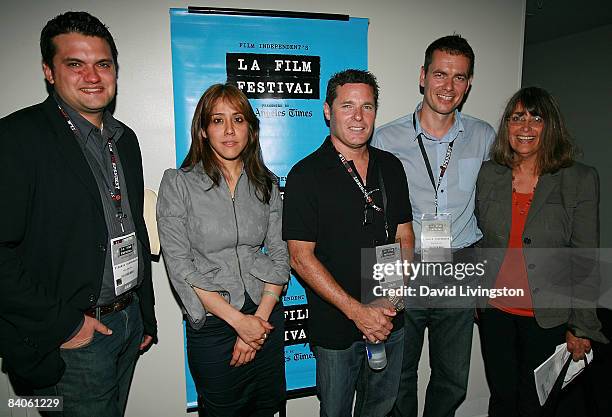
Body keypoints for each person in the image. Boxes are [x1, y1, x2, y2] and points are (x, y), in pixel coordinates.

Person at [0, 11, 157, 417]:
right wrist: (66, 326)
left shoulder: (125, 139)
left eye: (103, 64)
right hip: (73, 340)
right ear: (48, 71)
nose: (92, 76)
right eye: (76, 64)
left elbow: (133, 228)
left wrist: (145, 314)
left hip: (127, 323)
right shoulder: (17, 138)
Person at [371, 35, 495, 417]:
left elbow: (490, 207)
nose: (448, 86)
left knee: (453, 375)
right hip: (404, 264)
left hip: (459, 264)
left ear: (469, 83)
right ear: (423, 76)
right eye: (440, 74)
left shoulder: (484, 135)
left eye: (459, 77)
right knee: (399, 372)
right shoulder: (385, 138)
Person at [283, 69, 415, 417]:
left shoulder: (391, 167)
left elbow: (404, 234)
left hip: (390, 317)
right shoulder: (305, 174)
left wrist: (391, 302)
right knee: (336, 410)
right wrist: (359, 313)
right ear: (328, 110)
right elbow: (299, 257)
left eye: (367, 107)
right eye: (347, 106)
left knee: (381, 408)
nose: (358, 117)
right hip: (336, 327)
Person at [157, 83, 289, 417]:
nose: (229, 130)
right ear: (203, 129)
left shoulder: (267, 184)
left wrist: (256, 324)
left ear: (251, 128)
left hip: (266, 316)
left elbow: (280, 253)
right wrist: (237, 322)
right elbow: (179, 266)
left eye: (238, 119)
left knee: (266, 408)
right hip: (214, 322)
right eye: (217, 120)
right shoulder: (178, 183)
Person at [475, 86, 608, 417]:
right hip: (495, 312)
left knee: (537, 405)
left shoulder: (578, 179)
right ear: (507, 125)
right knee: (502, 400)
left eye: (536, 117)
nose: (526, 127)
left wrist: (582, 326)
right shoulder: (490, 173)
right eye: (517, 117)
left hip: (547, 317)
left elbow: (584, 257)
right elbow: (482, 241)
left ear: (552, 126)